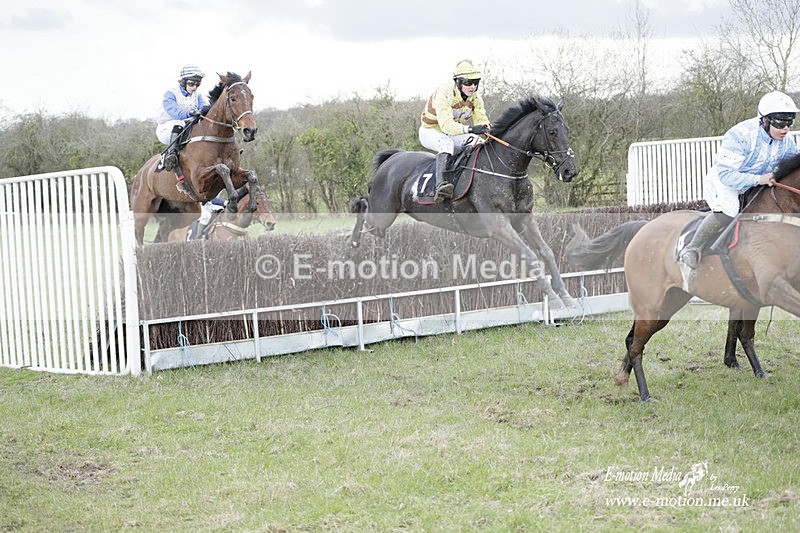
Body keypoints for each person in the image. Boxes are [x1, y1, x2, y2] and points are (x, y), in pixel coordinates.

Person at [680, 90, 799, 269]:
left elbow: (787, 167)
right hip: (725, 180)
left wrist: (772, 176)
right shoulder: (740, 135)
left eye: (789, 122)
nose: (785, 129)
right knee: (731, 209)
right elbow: (727, 175)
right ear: (764, 120)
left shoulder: (787, 140)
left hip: (760, 180)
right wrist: (759, 179)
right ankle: (692, 247)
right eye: (780, 122)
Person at [419, 59, 491, 203]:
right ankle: (440, 185)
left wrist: (490, 131)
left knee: (479, 141)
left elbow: (481, 121)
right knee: (446, 145)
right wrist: (470, 128)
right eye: (468, 83)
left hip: (452, 133)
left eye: (476, 82)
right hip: (430, 131)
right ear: (457, 82)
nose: (473, 87)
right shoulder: (444, 92)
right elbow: (446, 126)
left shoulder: (476, 98)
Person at [156, 65, 208, 171]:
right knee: (179, 124)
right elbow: (175, 112)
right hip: (167, 128)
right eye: (191, 84)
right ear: (183, 82)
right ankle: (171, 155)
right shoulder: (170, 94)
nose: (194, 87)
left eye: (197, 85)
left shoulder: (198, 95)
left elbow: (203, 108)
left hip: (187, 127)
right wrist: (190, 113)